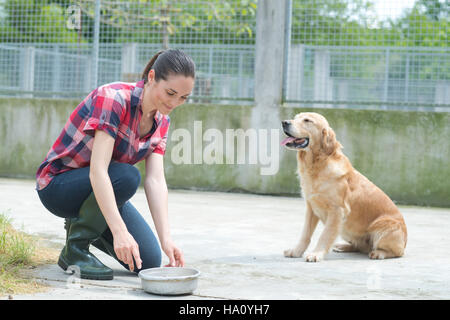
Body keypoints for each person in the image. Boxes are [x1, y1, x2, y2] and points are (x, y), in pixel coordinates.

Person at [35, 49, 195, 280]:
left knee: (147, 261)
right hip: (58, 186)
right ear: (151, 77)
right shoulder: (114, 98)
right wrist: (119, 231)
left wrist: (166, 239)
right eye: (170, 93)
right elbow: (98, 170)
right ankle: (75, 249)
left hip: (100, 187)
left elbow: (156, 180)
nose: (174, 103)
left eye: (182, 97)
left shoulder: (162, 121)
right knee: (128, 176)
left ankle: (83, 219)